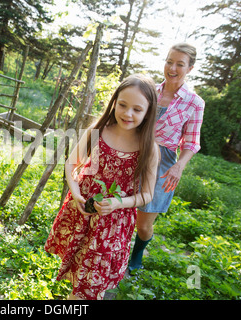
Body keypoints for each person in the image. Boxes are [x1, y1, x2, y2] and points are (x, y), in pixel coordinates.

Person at [44, 74, 159, 300]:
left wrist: (119, 202)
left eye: (137, 109)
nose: (127, 114)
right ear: (114, 101)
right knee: (79, 270)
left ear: (148, 112)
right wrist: (76, 193)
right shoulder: (99, 130)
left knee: (92, 285)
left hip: (113, 225)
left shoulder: (149, 148)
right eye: (123, 105)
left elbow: (146, 194)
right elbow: (72, 163)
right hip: (83, 212)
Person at [128, 43, 205, 273]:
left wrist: (180, 165)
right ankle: (116, 250)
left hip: (163, 163)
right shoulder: (150, 90)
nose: (172, 68)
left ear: (190, 68)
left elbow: (192, 142)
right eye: (169, 61)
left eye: (179, 64)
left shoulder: (195, 102)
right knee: (119, 209)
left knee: (143, 225)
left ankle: (138, 253)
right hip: (134, 153)